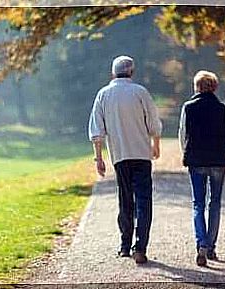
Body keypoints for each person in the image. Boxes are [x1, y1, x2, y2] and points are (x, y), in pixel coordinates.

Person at [88, 55, 162, 264]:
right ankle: (140, 247)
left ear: (113, 73)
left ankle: (124, 246)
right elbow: (154, 123)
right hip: (141, 154)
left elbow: (97, 130)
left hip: (119, 156)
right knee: (144, 201)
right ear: (132, 71)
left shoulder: (103, 94)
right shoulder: (140, 92)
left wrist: (99, 158)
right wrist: (155, 145)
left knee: (125, 200)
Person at [178, 70, 225, 267]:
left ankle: (201, 244)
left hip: (196, 160)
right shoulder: (223, 108)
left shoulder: (188, 107)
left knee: (198, 203)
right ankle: (212, 247)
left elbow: (183, 134)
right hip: (218, 160)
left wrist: (186, 151)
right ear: (214, 87)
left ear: (196, 87)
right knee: (214, 203)